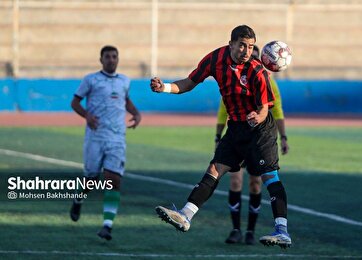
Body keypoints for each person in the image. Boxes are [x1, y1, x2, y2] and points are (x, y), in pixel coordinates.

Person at [151, 25, 291, 248]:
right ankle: (186, 216)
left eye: (251, 46)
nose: (246, 51)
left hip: (260, 130)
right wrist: (165, 87)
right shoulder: (214, 59)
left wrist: (258, 115)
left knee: (268, 176)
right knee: (215, 169)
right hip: (236, 128)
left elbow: (265, 108)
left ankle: (282, 230)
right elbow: (189, 83)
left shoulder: (257, 71)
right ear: (231, 44)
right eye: (242, 45)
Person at [215, 44, 290, 245]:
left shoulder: (267, 82)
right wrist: (218, 136)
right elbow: (224, 110)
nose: (251, 60)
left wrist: (283, 137)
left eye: (255, 57)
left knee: (256, 183)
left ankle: (250, 231)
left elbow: (278, 111)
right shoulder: (233, 78)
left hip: (260, 139)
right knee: (235, 181)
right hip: (237, 137)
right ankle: (236, 229)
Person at [69, 45, 141, 240]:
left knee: (113, 179)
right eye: (107, 57)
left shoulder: (125, 81)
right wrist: (87, 115)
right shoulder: (91, 80)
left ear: (118, 59)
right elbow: (75, 102)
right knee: (91, 178)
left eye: (114, 56)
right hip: (96, 136)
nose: (111, 59)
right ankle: (78, 199)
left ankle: (107, 225)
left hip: (117, 137)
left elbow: (125, 100)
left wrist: (135, 113)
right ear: (101, 60)